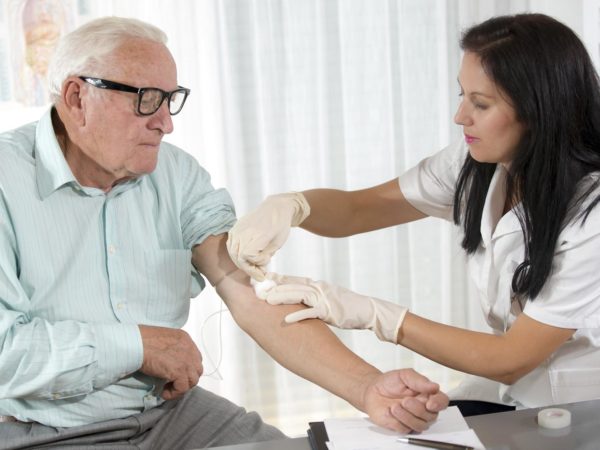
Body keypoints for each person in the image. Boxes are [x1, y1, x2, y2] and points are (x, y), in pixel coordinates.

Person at [0, 16, 449, 450]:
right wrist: (138, 346)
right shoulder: (6, 181)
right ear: (77, 97)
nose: (165, 122)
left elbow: (252, 297)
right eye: (146, 99)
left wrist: (368, 387)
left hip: (169, 414)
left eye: (170, 99)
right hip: (43, 429)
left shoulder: (175, 175)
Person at [227, 13, 600, 417]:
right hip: (516, 392)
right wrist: (293, 206)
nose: (461, 117)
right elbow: (357, 210)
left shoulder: (591, 214)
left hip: (578, 406)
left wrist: (378, 316)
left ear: (540, 109)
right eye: (462, 95)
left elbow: (511, 357)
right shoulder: (478, 164)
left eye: (481, 103)